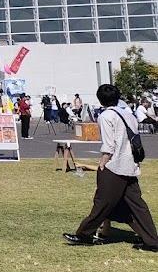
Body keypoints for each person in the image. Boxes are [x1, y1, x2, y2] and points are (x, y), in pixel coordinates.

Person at [64, 84, 158, 251]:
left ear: (100, 99)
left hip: (115, 165)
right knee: (136, 205)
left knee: (102, 202)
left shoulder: (106, 116)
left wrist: (103, 161)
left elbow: (109, 144)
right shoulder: (128, 114)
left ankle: (84, 234)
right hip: (130, 164)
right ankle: (152, 240)